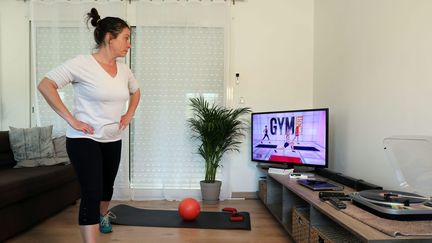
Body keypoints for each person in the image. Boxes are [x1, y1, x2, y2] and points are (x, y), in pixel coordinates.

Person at [38, 8, 140, 243]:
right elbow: (46, 85)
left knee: (106, 190)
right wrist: (71, 119)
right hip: (84, 140)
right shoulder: (81, 64)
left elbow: (136, 92)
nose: (129, 44)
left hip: (113, 139)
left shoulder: (124, 70)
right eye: (126, 38)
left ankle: (103, 215)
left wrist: (128, 114)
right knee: (91, 193)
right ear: (109, 38)